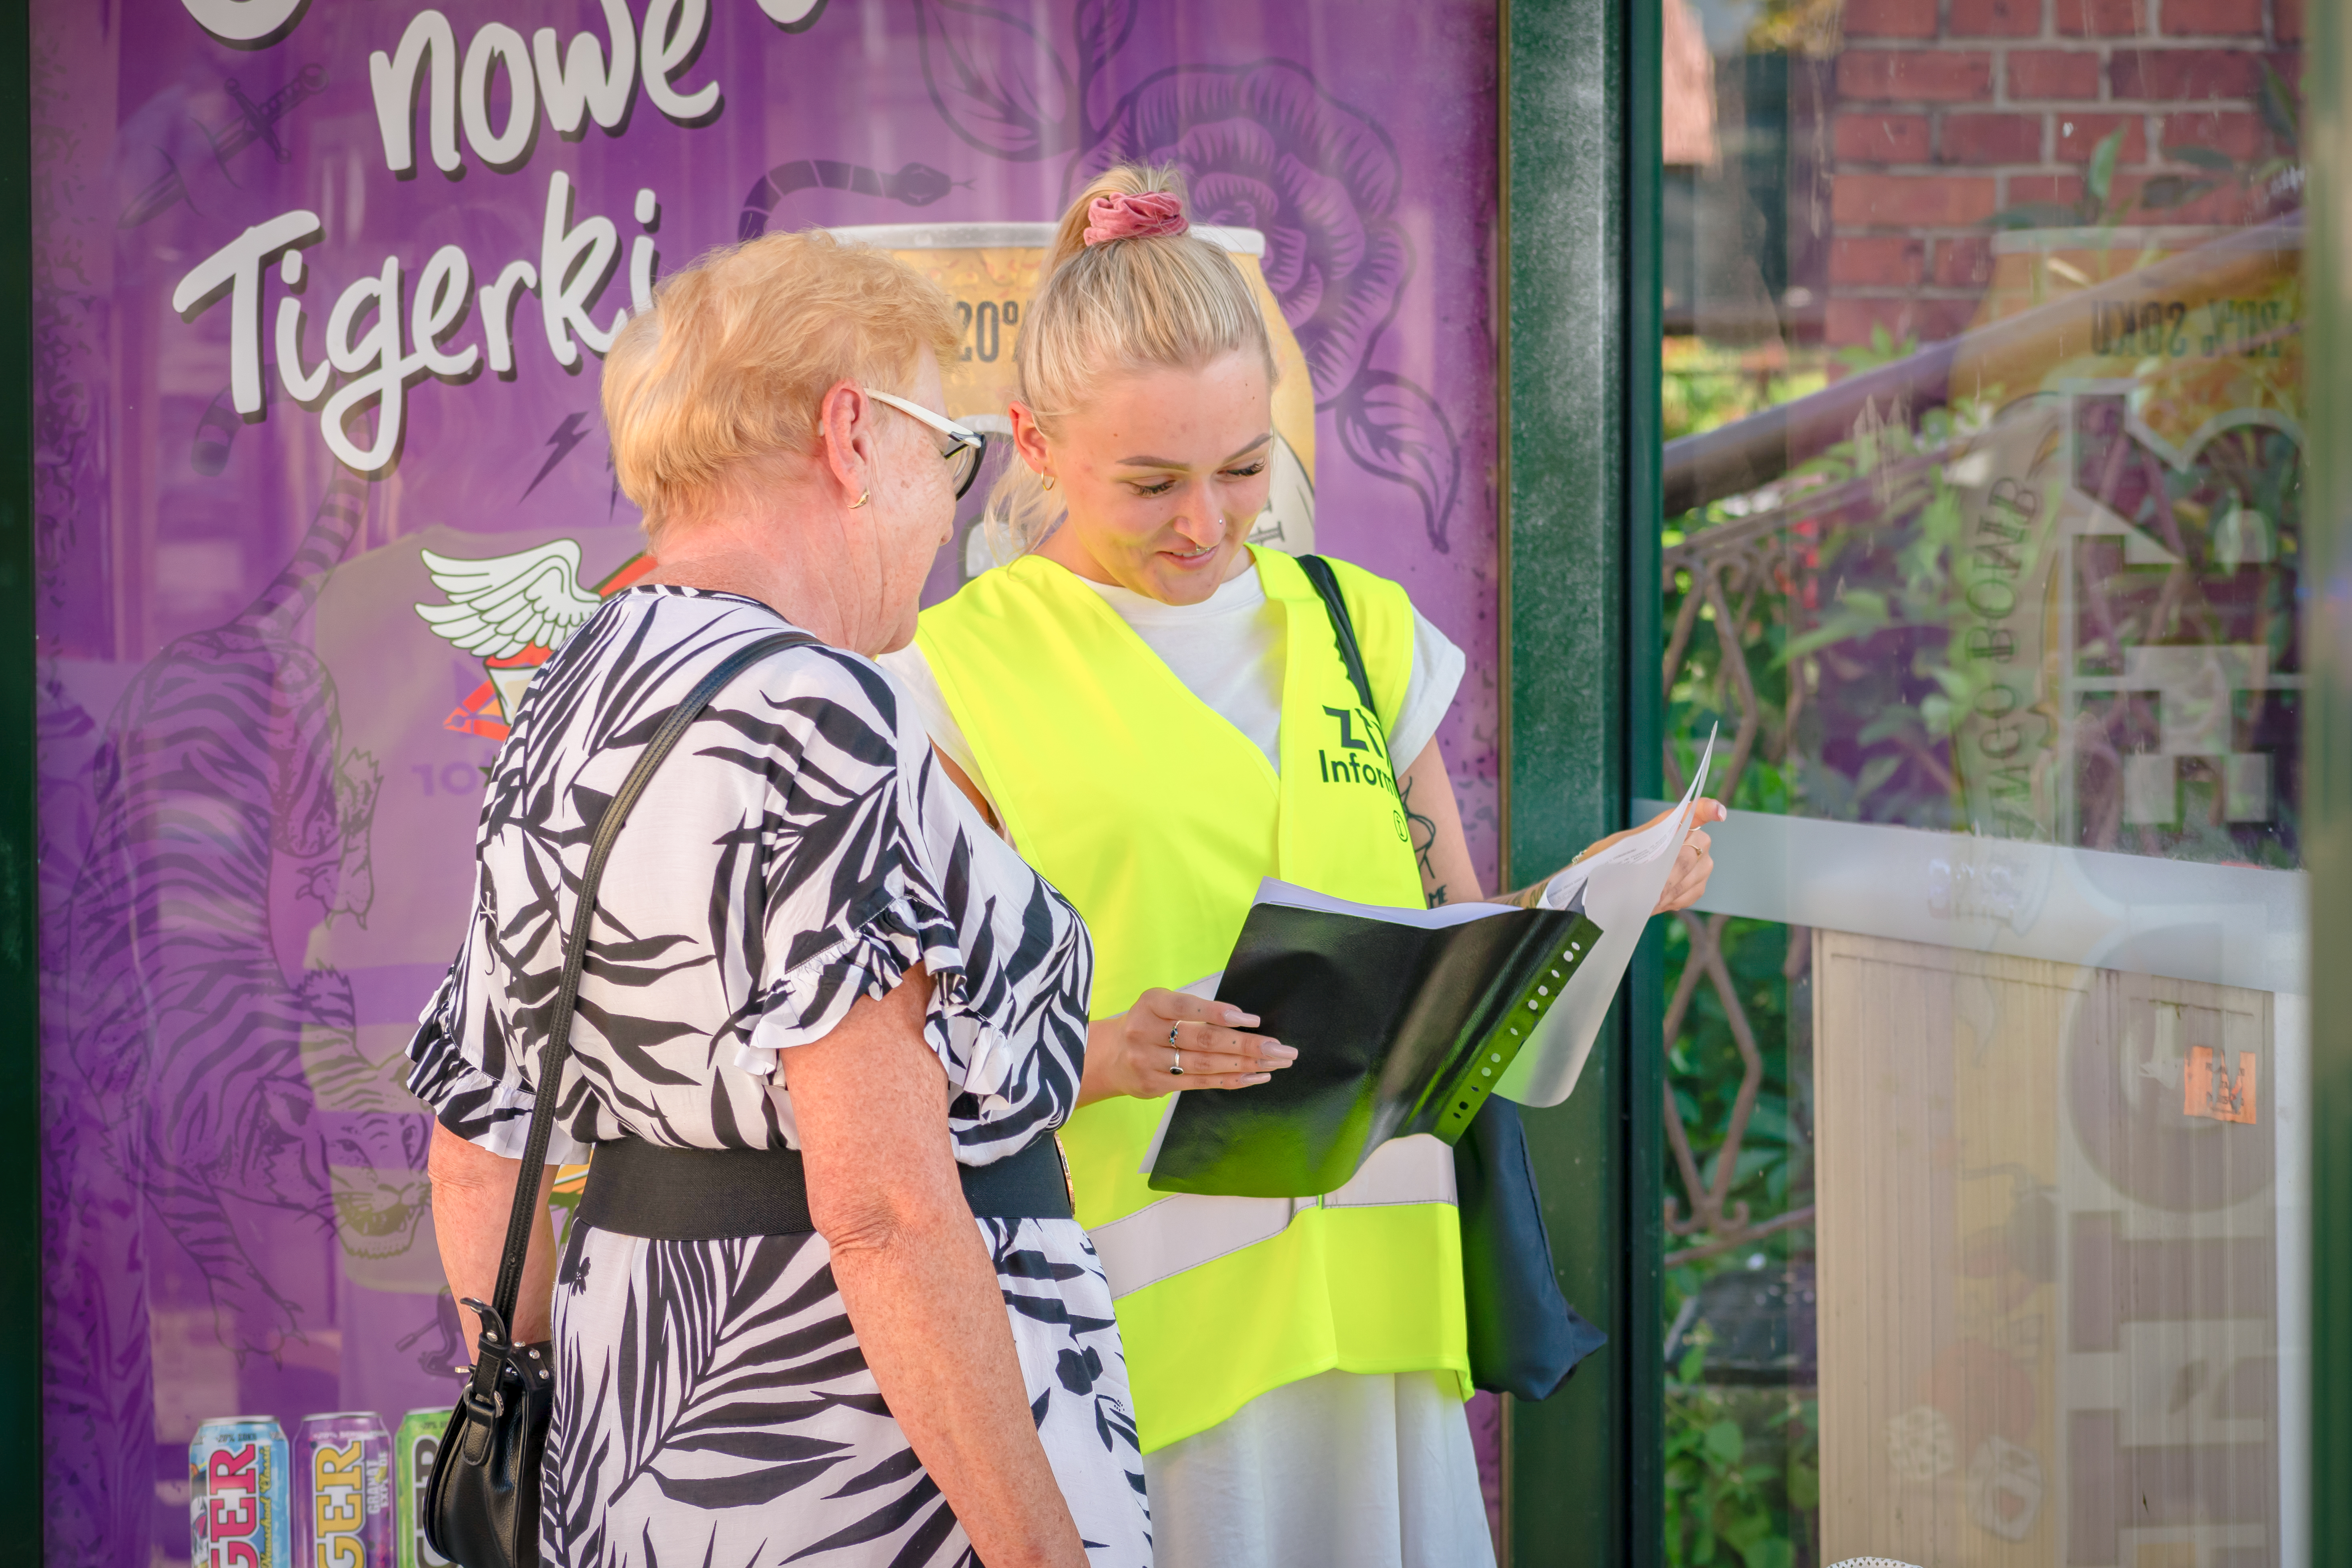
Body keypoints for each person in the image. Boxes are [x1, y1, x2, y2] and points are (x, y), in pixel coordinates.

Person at [880, 166, 1722, 1568]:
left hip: (1380, 1300)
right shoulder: (952, 682)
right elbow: (888, 1066)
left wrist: (1600, 892)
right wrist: (1100, 1051)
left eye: (1245, 468)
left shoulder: (1359, 633)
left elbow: (1451, 940)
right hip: (1137, 1329)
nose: (1207, 524)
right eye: (1150, 482)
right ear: (1031, 440)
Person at [406, 231, 1148, 1568]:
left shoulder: (571, 697)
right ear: (854, 436)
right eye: (951, 452)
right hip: (859, 1463)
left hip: (634, 1439)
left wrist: (550, 1442)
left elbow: (475, 1147)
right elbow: (884, 1209)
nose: (952, 506)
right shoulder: (824, 711)